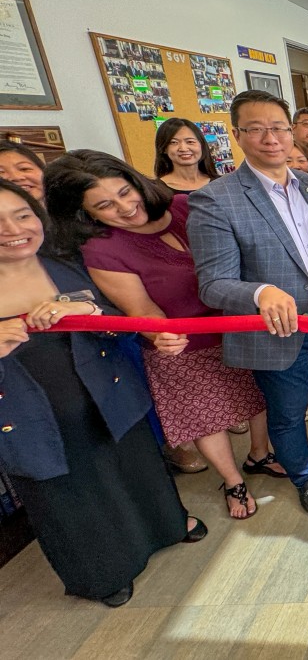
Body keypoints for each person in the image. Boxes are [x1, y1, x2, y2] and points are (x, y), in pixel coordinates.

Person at [45, 150, 283, 520]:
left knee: (257, 395)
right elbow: (143, 310)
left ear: (135, 180)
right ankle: (233, 481)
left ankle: (260, 453)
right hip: (181, 343)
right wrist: (160, 334)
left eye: (125, 192)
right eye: (105, 205)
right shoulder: (103, 249)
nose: (124, 208)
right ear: (85, 213)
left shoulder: (189, 206)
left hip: (238, 326)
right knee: (206, 416)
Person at [0, 180, 205, 608]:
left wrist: (87, 310)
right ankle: (104, 573)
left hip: (105, 390)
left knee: (133, 466)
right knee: (68, 493)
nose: (13, 228)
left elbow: (117, 313)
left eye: (22, 215)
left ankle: (166, 528)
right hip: (28, 414)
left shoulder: (66, 260)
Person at [187, 90, 308, 518]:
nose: (271, 138)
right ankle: (305, 475)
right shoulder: (217, 198)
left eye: (280, 128)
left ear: (292, 134)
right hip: (276, 331)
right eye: (257, 128)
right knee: (286, 412)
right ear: (237, 135)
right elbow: (212, 284)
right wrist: (258, 292)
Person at [153, 118, 221, 194]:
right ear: (164, 149)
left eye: (190, 142)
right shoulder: (155, 190)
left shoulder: (222, 183)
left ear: (201, 145)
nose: (183, 148)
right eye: (174, 142)